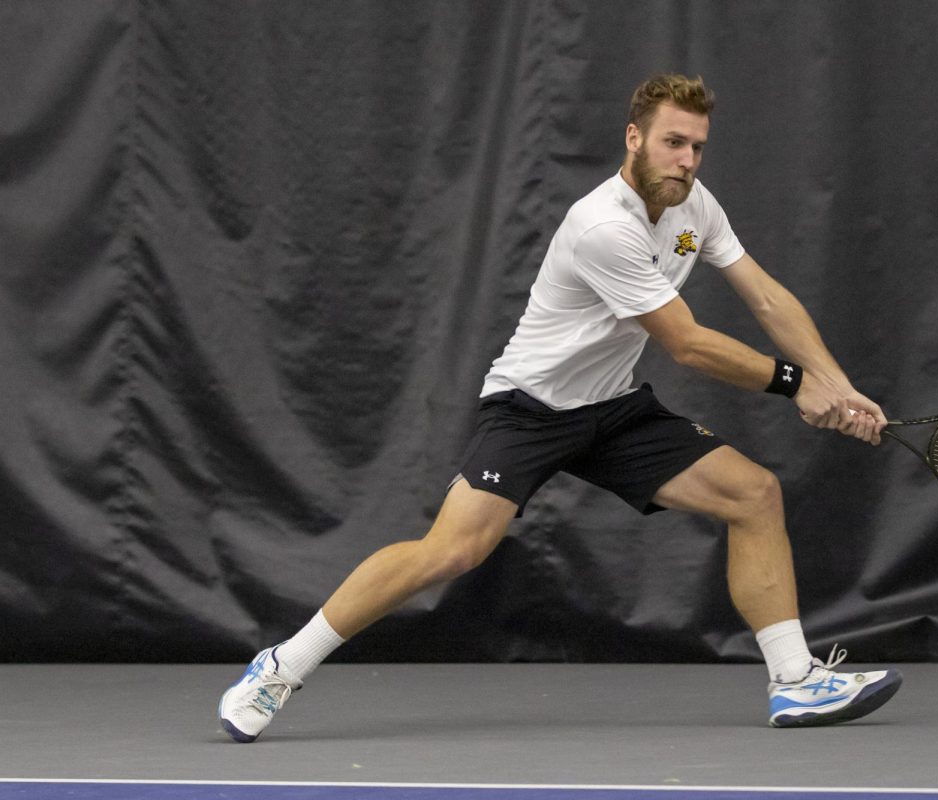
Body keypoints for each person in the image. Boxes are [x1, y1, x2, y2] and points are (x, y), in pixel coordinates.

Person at [218, 74, 902, 743]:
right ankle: (283, 666)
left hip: (614, 407)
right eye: (672, 143)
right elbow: (687, 344)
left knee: (753, 494)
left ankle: (795, 681)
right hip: (529, 409)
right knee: (454, 551)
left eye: (696, 147)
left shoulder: (696, 206)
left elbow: (767, 299)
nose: (686, 160)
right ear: (633, 138)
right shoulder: (602, 225)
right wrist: (795, 383)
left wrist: (835, 385)